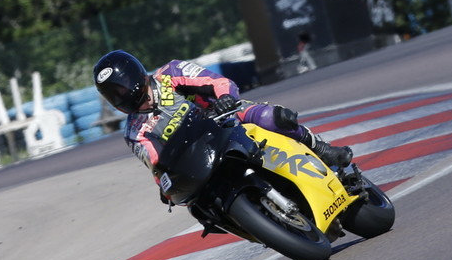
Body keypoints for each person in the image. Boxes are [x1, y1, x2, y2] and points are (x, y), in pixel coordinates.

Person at [93, 50, 353, 200]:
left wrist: (225, 98)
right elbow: (155, 162)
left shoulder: (170, 73)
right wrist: (165, 185)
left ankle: (320, 149)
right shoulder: (134, 131)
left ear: (136, 75)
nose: (121, 96)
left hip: (225, 119)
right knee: (194, 202)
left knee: (272, 117)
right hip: (196, 158)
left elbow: (218, 82)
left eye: (122, 87)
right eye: (113, 94)